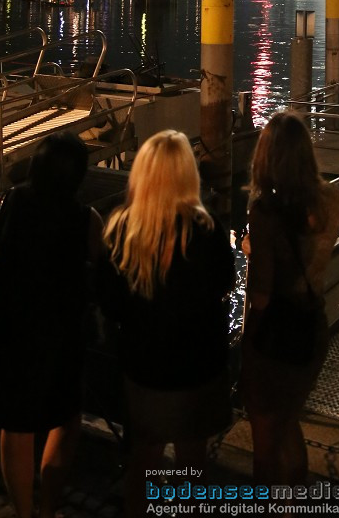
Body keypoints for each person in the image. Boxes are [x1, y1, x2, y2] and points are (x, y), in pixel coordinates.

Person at [0, 131, 103, 518]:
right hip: (61, 338)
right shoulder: (86, 219)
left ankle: (24, 511)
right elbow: (105, 277)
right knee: (66, 419)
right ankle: (49, 506)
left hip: (7, 334)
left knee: (16, 426)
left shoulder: (7, 203)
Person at [101, 129, 234, 518]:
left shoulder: (120, 230)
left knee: (144, 457)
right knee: (194, 459)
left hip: (143, 365)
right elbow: (224, 284)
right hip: (198, 365)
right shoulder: (208, 231)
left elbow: (108, 301)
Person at [240, 111, 339, 487]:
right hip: (313, 325)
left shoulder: (264, 212)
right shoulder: (332, 198)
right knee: (289, 422)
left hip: (275, 338)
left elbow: (263, 297)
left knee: (266, 442)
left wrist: (255, 250)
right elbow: (308, 244)